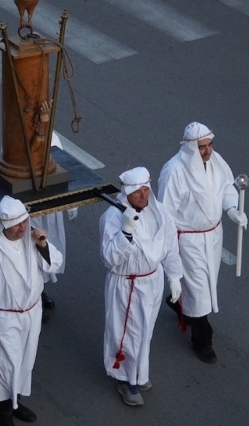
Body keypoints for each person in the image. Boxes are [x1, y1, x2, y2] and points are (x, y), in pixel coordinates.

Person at [0, 195, 63, 426]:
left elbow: (54, 263)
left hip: (31, 312)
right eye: (16, 224)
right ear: (4, 224)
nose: (22, 228)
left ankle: (15, 401)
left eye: (24, 221)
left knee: (24, 361)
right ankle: (4, 413)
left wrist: (43, 246)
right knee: (6, 365)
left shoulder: (31, 238)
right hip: (5, 318)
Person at [157, 122, 248, 363]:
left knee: (208, 282)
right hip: (188, 239)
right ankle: (202, 339)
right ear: (189, 147)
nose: (207, 151)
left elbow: (227, 188)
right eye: (201, 147)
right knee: (198, 288)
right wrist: (169, 249)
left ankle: (179, 302)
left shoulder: (216, 162)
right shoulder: (174, 171)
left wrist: (231, 209)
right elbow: (165, 213)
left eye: (209, 145)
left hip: (213, 236)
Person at [99, 166, 182, 406]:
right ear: (127, 194)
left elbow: (169, 246)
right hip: (126, 283)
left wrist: (174, 277)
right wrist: (126, 231)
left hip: (152, 281)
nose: (144, 195)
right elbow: (109, 259)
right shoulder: (112, 218)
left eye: (146, 190)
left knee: (145, 330)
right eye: (137, 192)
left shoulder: (161, 213)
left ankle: (139, 372)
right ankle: (125, 380)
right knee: (126, 332)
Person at [29, 133, 77, 323]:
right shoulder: (16, 138)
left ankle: (41, 290)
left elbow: (63, 166)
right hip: (30, 205)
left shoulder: (51, 136)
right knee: (33, 254)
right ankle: (34, 299)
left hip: (51, 204)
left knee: (49, 251)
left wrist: (72, 201)